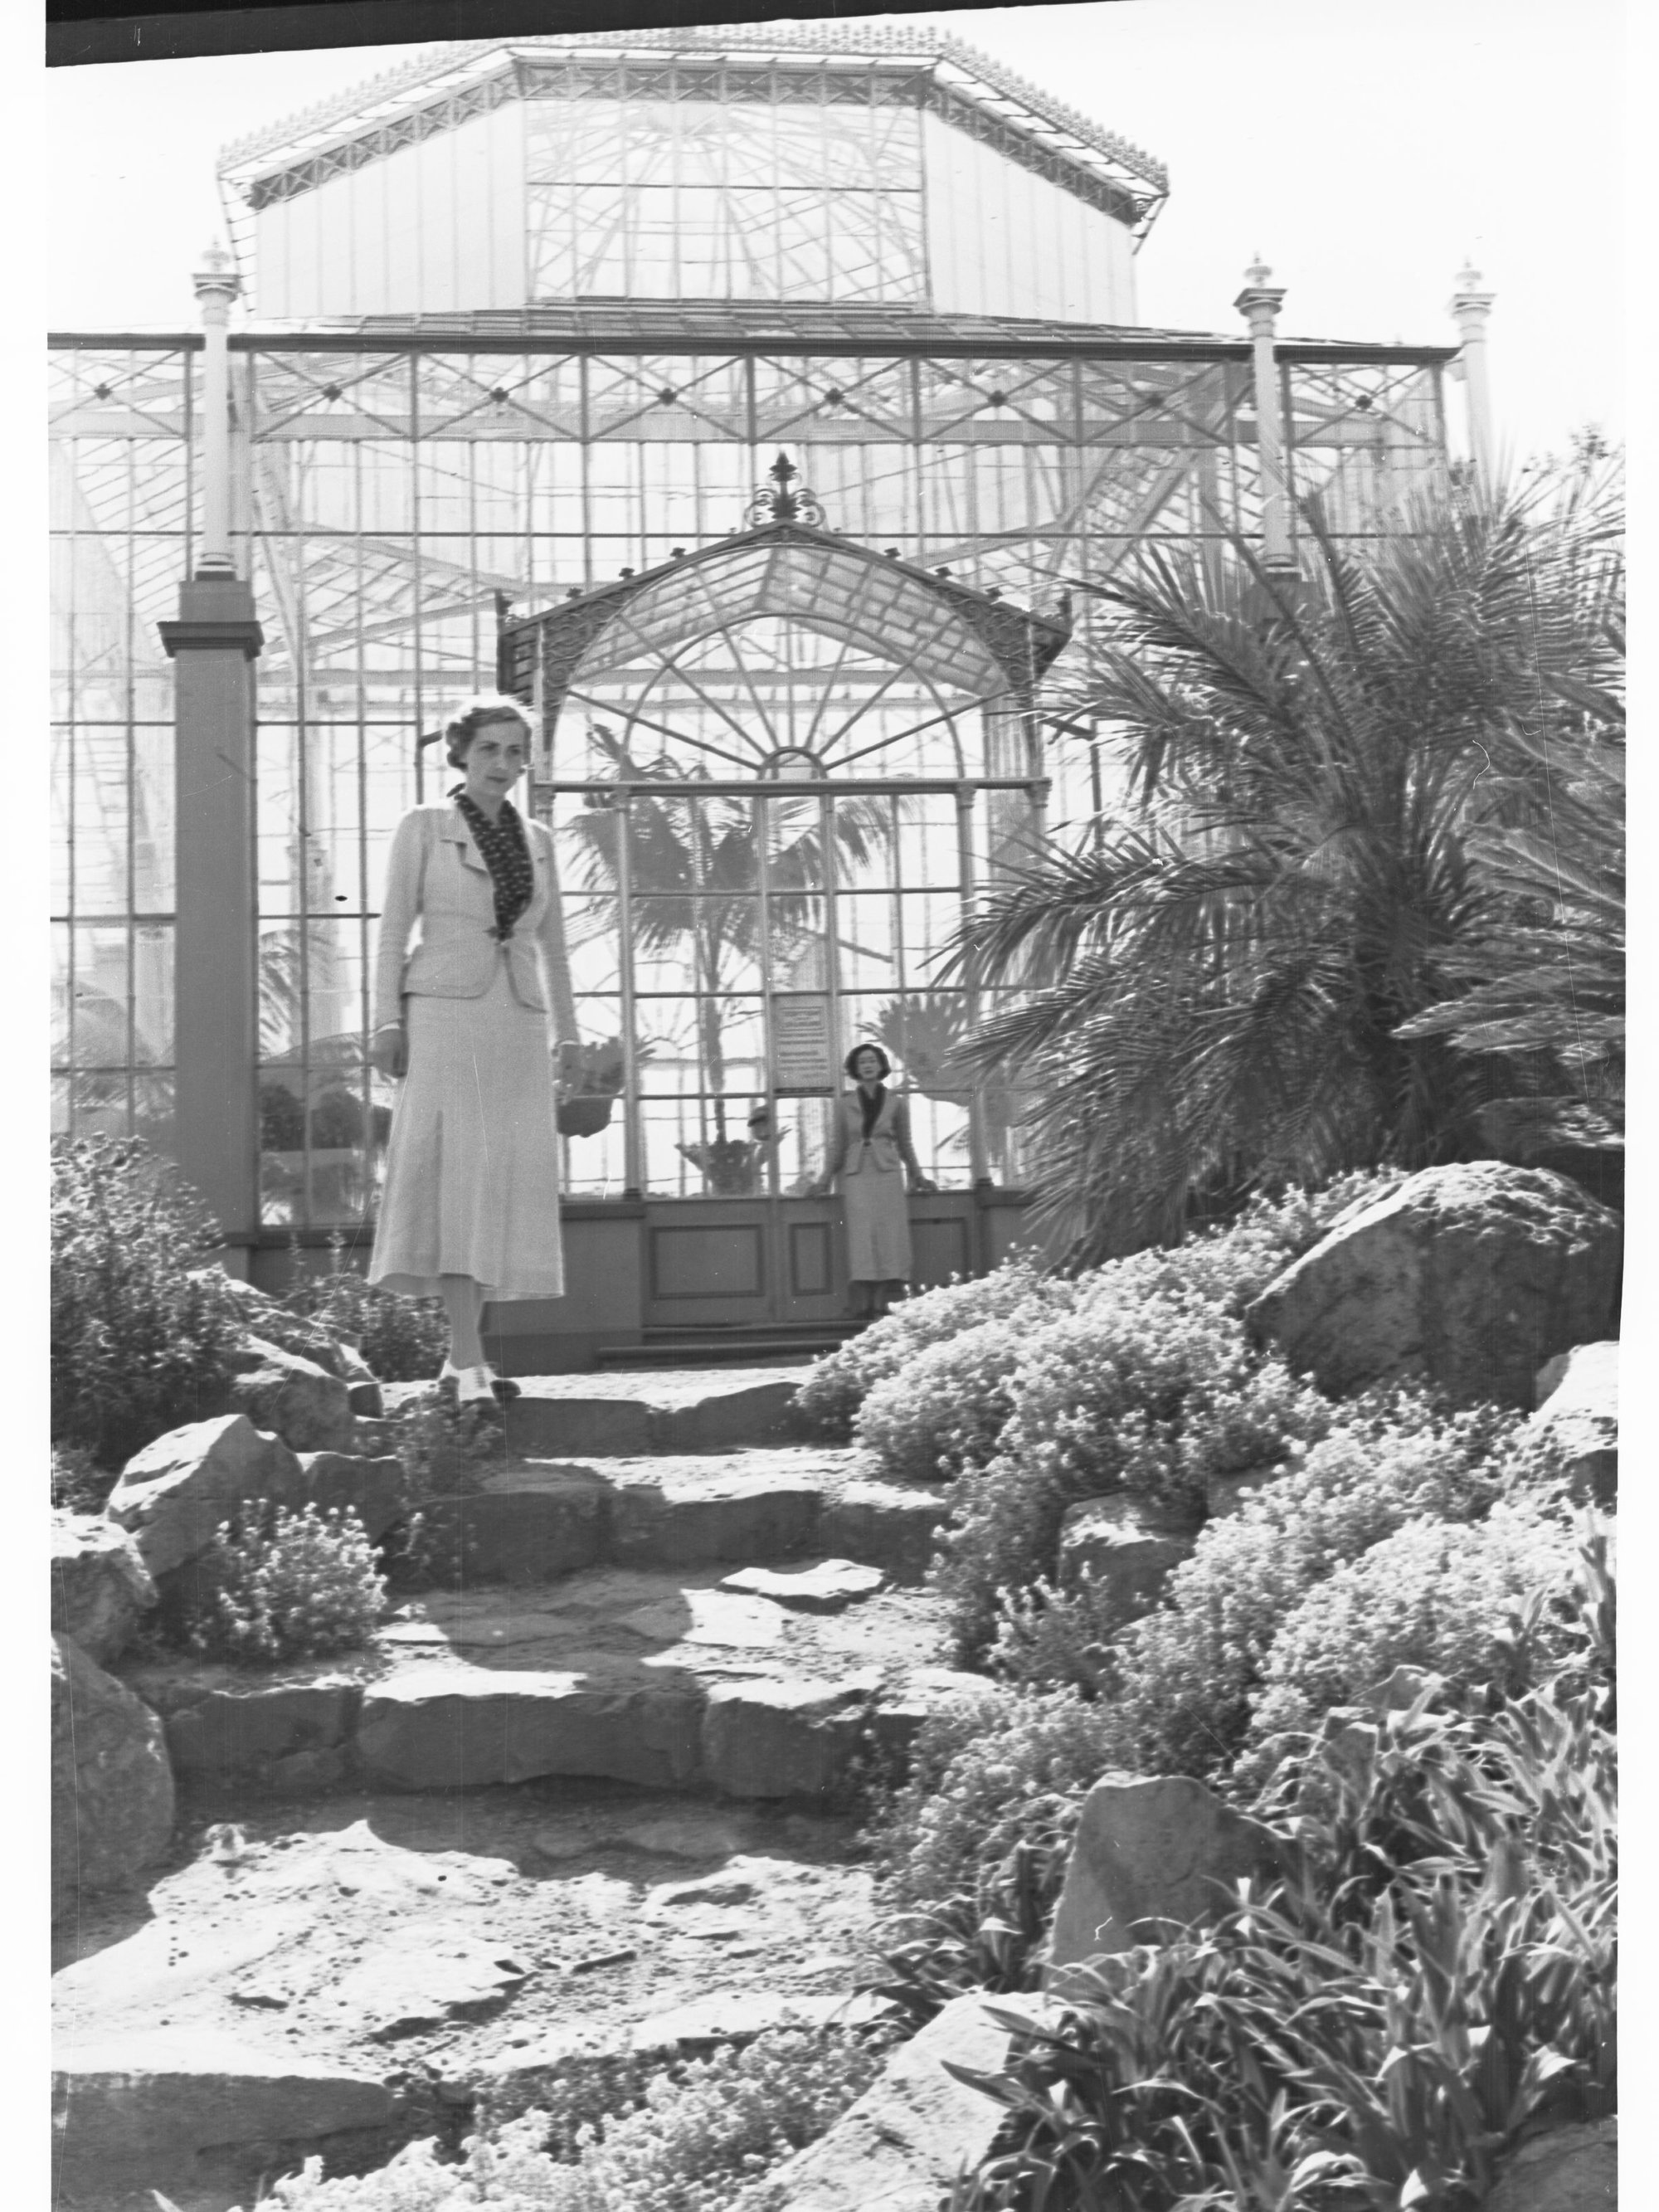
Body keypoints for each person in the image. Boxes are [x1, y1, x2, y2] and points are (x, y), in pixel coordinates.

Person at [367, 694, 568, 1402]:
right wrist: (385, 1021)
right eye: (490, 749)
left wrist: (566, 1033)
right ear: (459, 753)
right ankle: (470, 1359)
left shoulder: (538, 838)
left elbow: (554, 947)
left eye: (517, 752)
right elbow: (392, 930)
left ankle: (463, 1361)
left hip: (515, 1018)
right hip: (445, 1013)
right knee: (458, 1173)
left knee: (498, 1180)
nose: (505, 765)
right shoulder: (423, 826)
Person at [810, 1044, 935, 1321]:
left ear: (881, 1066)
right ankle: (863, 1303)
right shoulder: (844, 1104)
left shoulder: (896, 1102)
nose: (867, 1065)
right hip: (856, 1176)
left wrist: (917, 1175)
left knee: (889, 1236)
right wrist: (824, 1180)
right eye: (862, 1061)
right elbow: (837, 1145)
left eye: (872, 1060)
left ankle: (880, 1302)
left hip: (888, 1173)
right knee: (862, 1237)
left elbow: (905, 1143)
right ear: (855, 1068)